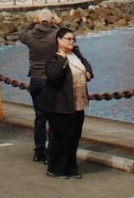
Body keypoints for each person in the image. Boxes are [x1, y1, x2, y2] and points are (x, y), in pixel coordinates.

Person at [36, 27, 94, 179]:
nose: (71, 41)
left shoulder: (76, 54)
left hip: (78, 103)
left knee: (74, 137)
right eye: (68, 39)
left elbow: (87, 66)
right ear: (59, 41)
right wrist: (62, 58)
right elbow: (54, 76)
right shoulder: (53, 58)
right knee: (62, 138)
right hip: (58, 105)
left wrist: (87, 72)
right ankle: (55, 169)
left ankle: (71, 168)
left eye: (73, 39)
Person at [19, 9, 60, 162]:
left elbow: (21, 34)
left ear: (37, 20)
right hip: (50, 81)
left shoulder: (30, 37)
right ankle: (50, 154)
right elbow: (69, 35)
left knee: (40, 117)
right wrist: (59, 23)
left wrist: (32, 22)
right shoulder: (54, 36)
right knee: (53, 118)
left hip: (35, 80)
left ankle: (39, 151)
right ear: (51, 21)